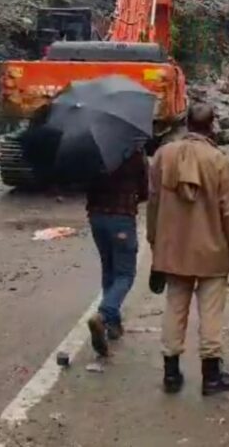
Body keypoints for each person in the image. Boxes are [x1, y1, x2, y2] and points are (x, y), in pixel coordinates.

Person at [147, 105, 229, 395]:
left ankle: (170, 373)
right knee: (211, 313)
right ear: (212, 125)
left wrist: (155, 240)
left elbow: (153, 202)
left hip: (173, 249)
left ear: (187, 123)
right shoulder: (218, 160)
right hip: (212, 251)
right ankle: (212, 377)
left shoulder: (163, 156)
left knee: (174, 307)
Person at [86, 147, 149, 357]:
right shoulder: (134, 151)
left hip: (96, 217)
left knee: (109, 270)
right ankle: (105, 315)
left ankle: (113, 326)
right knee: (125, 274)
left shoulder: (92, 149)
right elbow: (145, 190)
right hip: (121, 219)